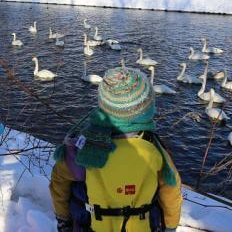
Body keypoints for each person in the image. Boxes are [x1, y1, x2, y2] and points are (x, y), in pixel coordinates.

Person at [49, 67, 183, 232]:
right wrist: (170, 227)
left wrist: (63, 219)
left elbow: (59, 183)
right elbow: (172, 191)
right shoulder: (154, 149)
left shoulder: (84, 147)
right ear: (147, 108)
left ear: (103, 104)